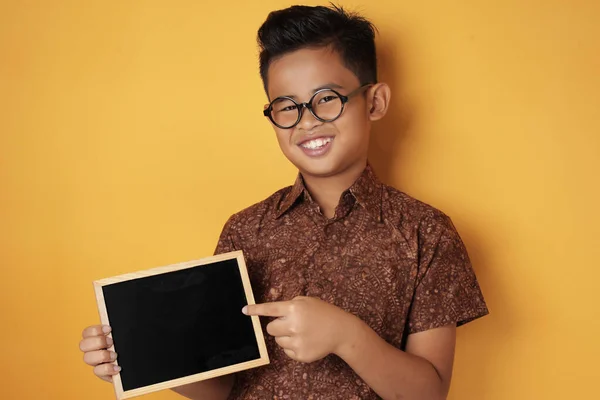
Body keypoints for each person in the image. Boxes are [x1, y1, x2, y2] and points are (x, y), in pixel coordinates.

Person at [79, 4, 488, 399]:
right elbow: (224, 387)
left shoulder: (426, 232)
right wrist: (141, 356)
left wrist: (347, 336)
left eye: (327, 98)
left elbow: (429, 393)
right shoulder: (245, 230)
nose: (307, 121)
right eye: (287, 106)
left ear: (375, 101)